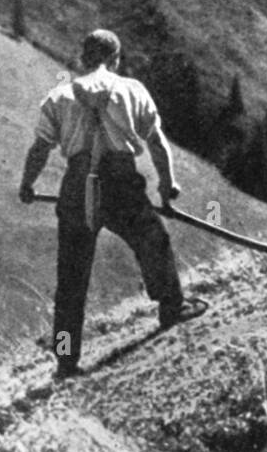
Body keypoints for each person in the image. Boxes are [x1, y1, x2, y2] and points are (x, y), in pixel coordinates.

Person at [19, 29, 206, 378]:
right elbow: (157, 143)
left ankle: (65, 360)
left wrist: (27, 184)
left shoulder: (58, 97)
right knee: (153, 240)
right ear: (116, 59)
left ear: (82, 58)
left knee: (70, 278)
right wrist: (168, 186)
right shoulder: (132, 89)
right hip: (121, 184)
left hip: (76, 190)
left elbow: (39, 149)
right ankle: (171, 309)